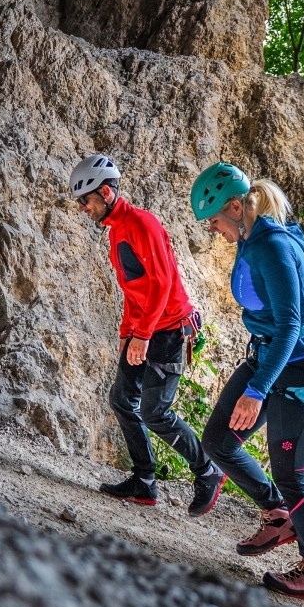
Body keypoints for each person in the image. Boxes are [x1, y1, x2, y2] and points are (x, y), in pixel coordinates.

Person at [190, 162, 304, 602]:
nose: (213, 229)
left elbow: (291, 324)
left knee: (292, 474)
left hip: (297, 367)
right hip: (266, 356)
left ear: (236, 208)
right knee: (219, 441)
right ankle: (277, 514)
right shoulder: (250, 239)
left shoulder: (273, 246)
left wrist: (256, 391)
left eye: (214, 219)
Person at [69, 153, 225, 514]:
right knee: (122, 399)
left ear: (106, 193)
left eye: (85, 200)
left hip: (167, 331)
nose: (82, 208)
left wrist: (142, 336)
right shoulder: (117, 232)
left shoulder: (142, 224)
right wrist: (128, 333)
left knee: (155, 412)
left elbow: (161, 284)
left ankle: (208, 471)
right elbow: (133, 290)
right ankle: (144, 481)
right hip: (145, 329)